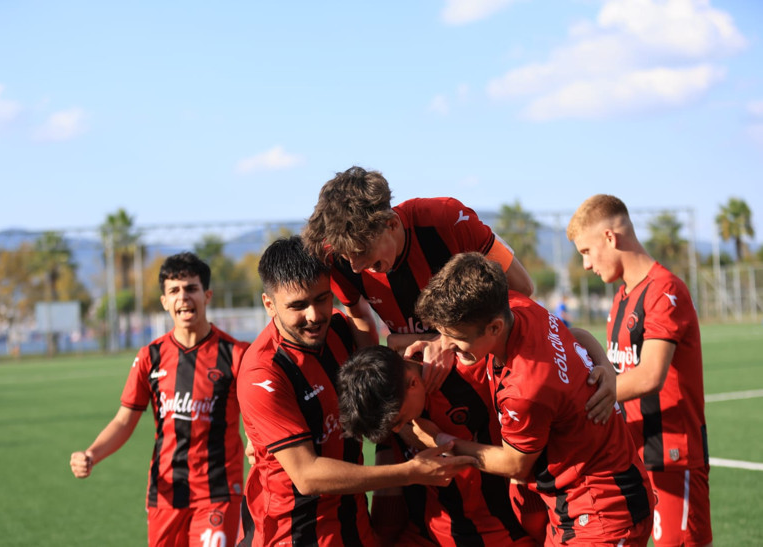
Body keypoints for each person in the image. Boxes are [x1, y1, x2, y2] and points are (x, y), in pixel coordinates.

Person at [301, 166, 614, 423]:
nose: (354, 266)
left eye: (361, 251)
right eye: (345, 255)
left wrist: (444, 342)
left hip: (490, 387)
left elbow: (520, 290)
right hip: (418, 400)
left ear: (391, 223)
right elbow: (359, 315)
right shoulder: (341, 255)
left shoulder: (446, 219)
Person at [236, 236, 475, 547]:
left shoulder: (338, 330)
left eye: (321, 299)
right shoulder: (263, 372)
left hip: (355, 525)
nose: (314, 316)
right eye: (297, 306)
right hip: (294, 534)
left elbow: (381, 374)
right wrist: (411, 472)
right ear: (269, 304)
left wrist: (443, 341)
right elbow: (307, 476)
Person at [409, 252, 655, 545]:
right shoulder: (518, 306)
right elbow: (575, 334)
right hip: (589, 500)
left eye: (454, 337)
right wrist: (605, 367)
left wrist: (440, 441)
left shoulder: (525, 389)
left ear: (494, 328)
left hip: (600, 512)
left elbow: (515, 465)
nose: (445, 345)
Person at [69, 252, 247, 547]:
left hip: (219, 492)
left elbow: (257, 416)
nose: (183, 298)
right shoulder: (149, 357)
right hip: (165, 494)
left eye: (191, 288)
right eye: (174, 291)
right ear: (164, 301)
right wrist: (91, 454)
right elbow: (124, 421)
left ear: (207, 295)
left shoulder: (235, 354)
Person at [567, 194, 711, 546]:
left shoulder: (665, 289)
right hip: (633, 456)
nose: (586, 265)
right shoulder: (622, 297)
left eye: (586, 251)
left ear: (610, 238)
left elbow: (649, 376)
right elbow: (618, 372)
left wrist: (579, 402)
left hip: (672, 455)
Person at [338, 345, 539, 546]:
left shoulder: (472, 372)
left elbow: (519, 463)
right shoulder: (390, 401)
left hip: (501, 534)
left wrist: (438, 440)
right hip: (427, 535)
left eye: (399, 422)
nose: (398, 430)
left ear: (413, 383)